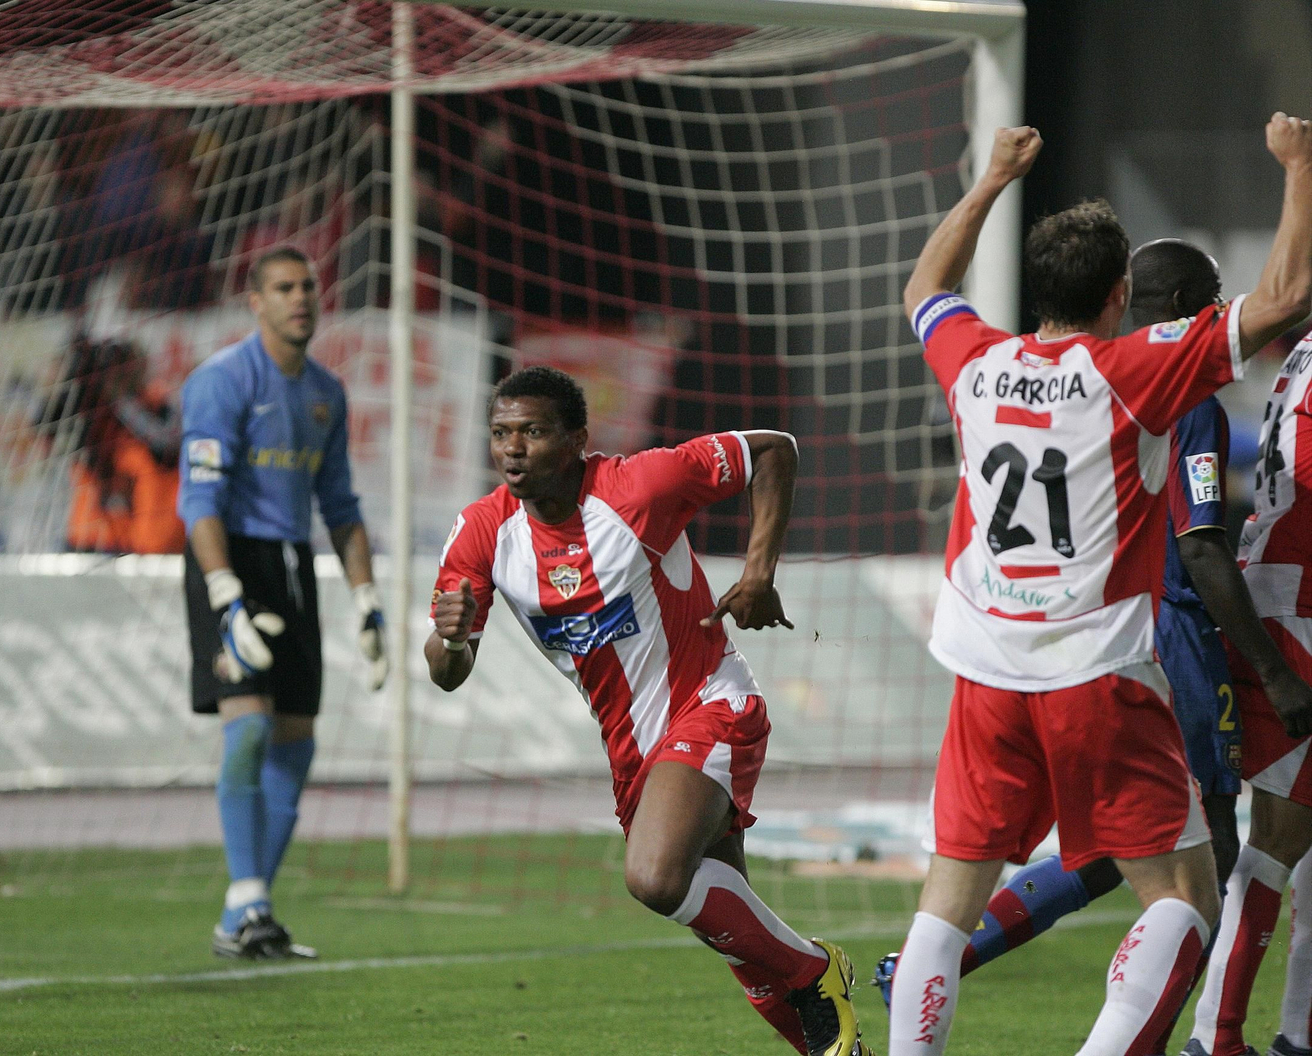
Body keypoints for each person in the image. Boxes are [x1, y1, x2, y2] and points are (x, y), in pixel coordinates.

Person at [887, 115, 1312, 1056]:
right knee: (1186, 896)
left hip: (983, 674)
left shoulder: (977, 362)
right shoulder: (1134, 372)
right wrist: (1299, 166)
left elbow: (925, 285)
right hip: (1097, 678)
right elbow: (1283, 299)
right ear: (1122, 294)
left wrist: (992, 180)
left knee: (946, 902)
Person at [428, 365, 873, 1056]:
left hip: (712, 703)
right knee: (737, 941)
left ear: (577, 439)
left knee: (655, 877)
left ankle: (817, 968)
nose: (513, 449)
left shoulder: (640, 485)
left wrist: (758, 573)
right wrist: (450, 637)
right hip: (634, 752)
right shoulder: (484, 533)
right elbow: (449, 673)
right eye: (500, 433)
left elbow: (774, 449)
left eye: (534, 432)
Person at [177, 245, 389, 959]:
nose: (301, 298)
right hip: (230, 558)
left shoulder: (326, 391)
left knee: (297, 741)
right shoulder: (222, 381)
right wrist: (223, 592)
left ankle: (249, 910)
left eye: (308, 286)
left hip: (295, 566)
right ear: (255, 301)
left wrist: (366, 599)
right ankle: (247, 903)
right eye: (284, 287)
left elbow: (340, 504)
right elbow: (198, 499)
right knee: (249, 730)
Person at [1183, 332, 1312, 1053]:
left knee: (1292, 835)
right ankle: (1216, 1036)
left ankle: (1297, 1032)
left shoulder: (1303, 352)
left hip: (1283, 592)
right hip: (1300, 608)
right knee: (1278, 838)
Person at [47, 336, 187, 555]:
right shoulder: (90, 411)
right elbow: (45, 426)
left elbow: (166, 441)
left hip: (139, 540)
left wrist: (120, 401)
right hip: (87, 535)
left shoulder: (155, 404)